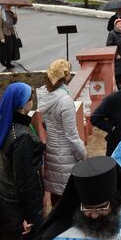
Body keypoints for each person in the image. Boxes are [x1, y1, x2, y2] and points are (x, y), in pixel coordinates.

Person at [0, 82, 45, 240]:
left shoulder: (4, 124)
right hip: (17, 206)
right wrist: (29, 217)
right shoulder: (21, 137)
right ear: (23, 105)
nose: (32, 101)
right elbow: (24, 181)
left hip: (4, 197)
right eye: (30, 98)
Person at [37, 58, 86, 205]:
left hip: (52, 152)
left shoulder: (45, 96)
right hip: (66, 156)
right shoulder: (65, 101)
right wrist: (82, 153)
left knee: (56, 198)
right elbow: (71, 135)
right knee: (70, 200)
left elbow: (45, 124)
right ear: (65, 76)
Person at [0, 3, 21, 70]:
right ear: (3, 7)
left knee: (11, 50)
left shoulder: (11, 13)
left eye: (9, 6)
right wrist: (2, 37)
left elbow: (14, 23)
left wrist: (15, 17)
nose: (9, 8)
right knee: (4, 51)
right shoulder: (0, 15)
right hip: (5, 35)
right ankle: (3, 61)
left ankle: (9, 63)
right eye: (7, 6)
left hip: (12, 34)